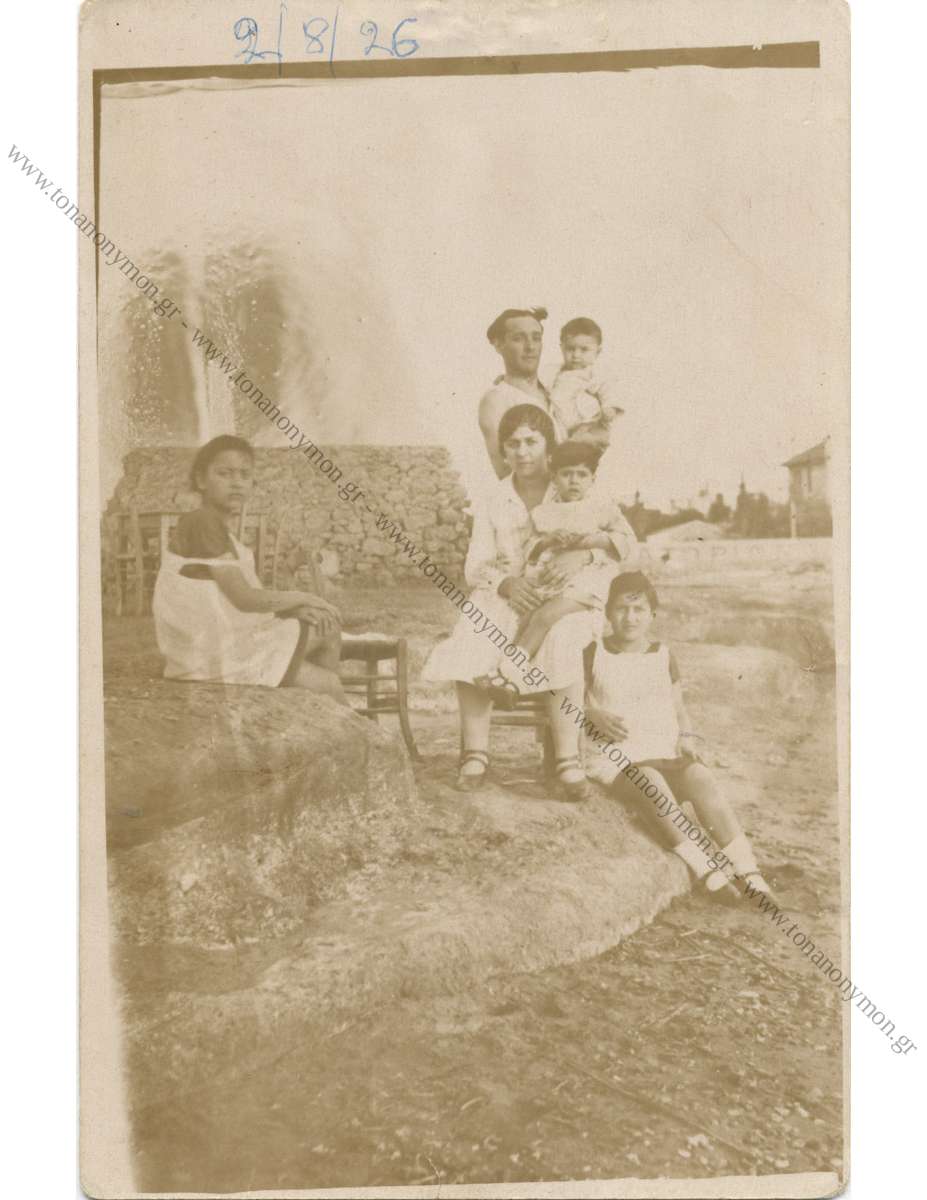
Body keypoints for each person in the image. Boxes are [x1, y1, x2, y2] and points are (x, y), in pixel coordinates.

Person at [423, 405, 608, 801]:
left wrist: (584, 554)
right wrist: (506, 583)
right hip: (508, 593)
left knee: (562, 635)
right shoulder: (495, 497)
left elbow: (617, 547)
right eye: (513, 444)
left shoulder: (572, 483)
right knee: (474, 631)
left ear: (548, 445)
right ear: (503, 451)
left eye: (531, 442)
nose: (522, 452)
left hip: (567, 594)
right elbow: (476, 564)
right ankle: (475, 753)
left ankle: (567, 758)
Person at [582, 571, 773, 898]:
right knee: (651, 781)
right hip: (618, 758)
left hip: (663, 749)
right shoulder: (593, 652)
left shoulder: (663, 654)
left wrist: (686, 736)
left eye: (639, 609)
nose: (630, 618)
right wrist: (589, 713)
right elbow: (566, 701)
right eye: (621, 609)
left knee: (701, 777)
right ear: (608, 612)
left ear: (652, 614)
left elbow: (679, 707)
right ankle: (704, 868)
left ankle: (747, 869)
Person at [153, 435, 345, 700]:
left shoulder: (224, 534)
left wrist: (294, 609)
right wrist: (307, 598)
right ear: (201, 480)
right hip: (209, 654)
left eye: (244, 475)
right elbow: (244, 598)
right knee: (327, 639)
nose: (237, 482)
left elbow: (234, 599)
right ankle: (324, 708)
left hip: (217, 646)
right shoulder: (202, 522)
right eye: (224, 473)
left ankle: (315, 705)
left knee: (323, 640)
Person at [477, 439, 636, 709]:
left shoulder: (602, 508)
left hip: (588, 583)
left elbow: (626, 540)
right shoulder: (544, 513)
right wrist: (548, 540)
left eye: (582, 474)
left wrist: (592, 542)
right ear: (554, 477)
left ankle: (509, 671)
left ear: (593, 479)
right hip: (552, 582)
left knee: (545, 616)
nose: (574, 481)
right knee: (527, 617)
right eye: (566, 474)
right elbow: (530, 547)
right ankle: (508, 679)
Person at [478, 307, 563, 478]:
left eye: (536, 338)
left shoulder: (555, 388)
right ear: (498, 345)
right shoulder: (497, 399)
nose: (530, 347)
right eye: (518, 339)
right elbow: (506, 471)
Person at [548, 316, 623, 450]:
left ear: (597, 352)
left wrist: (609, 407)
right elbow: (540, 381)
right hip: (560, 421)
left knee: (584, 441)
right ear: (562, 348)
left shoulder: (594, 373)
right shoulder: (555, 371)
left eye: (584, 350)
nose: (576, 355)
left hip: (585, 422)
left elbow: (608, 388)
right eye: (570, 349)